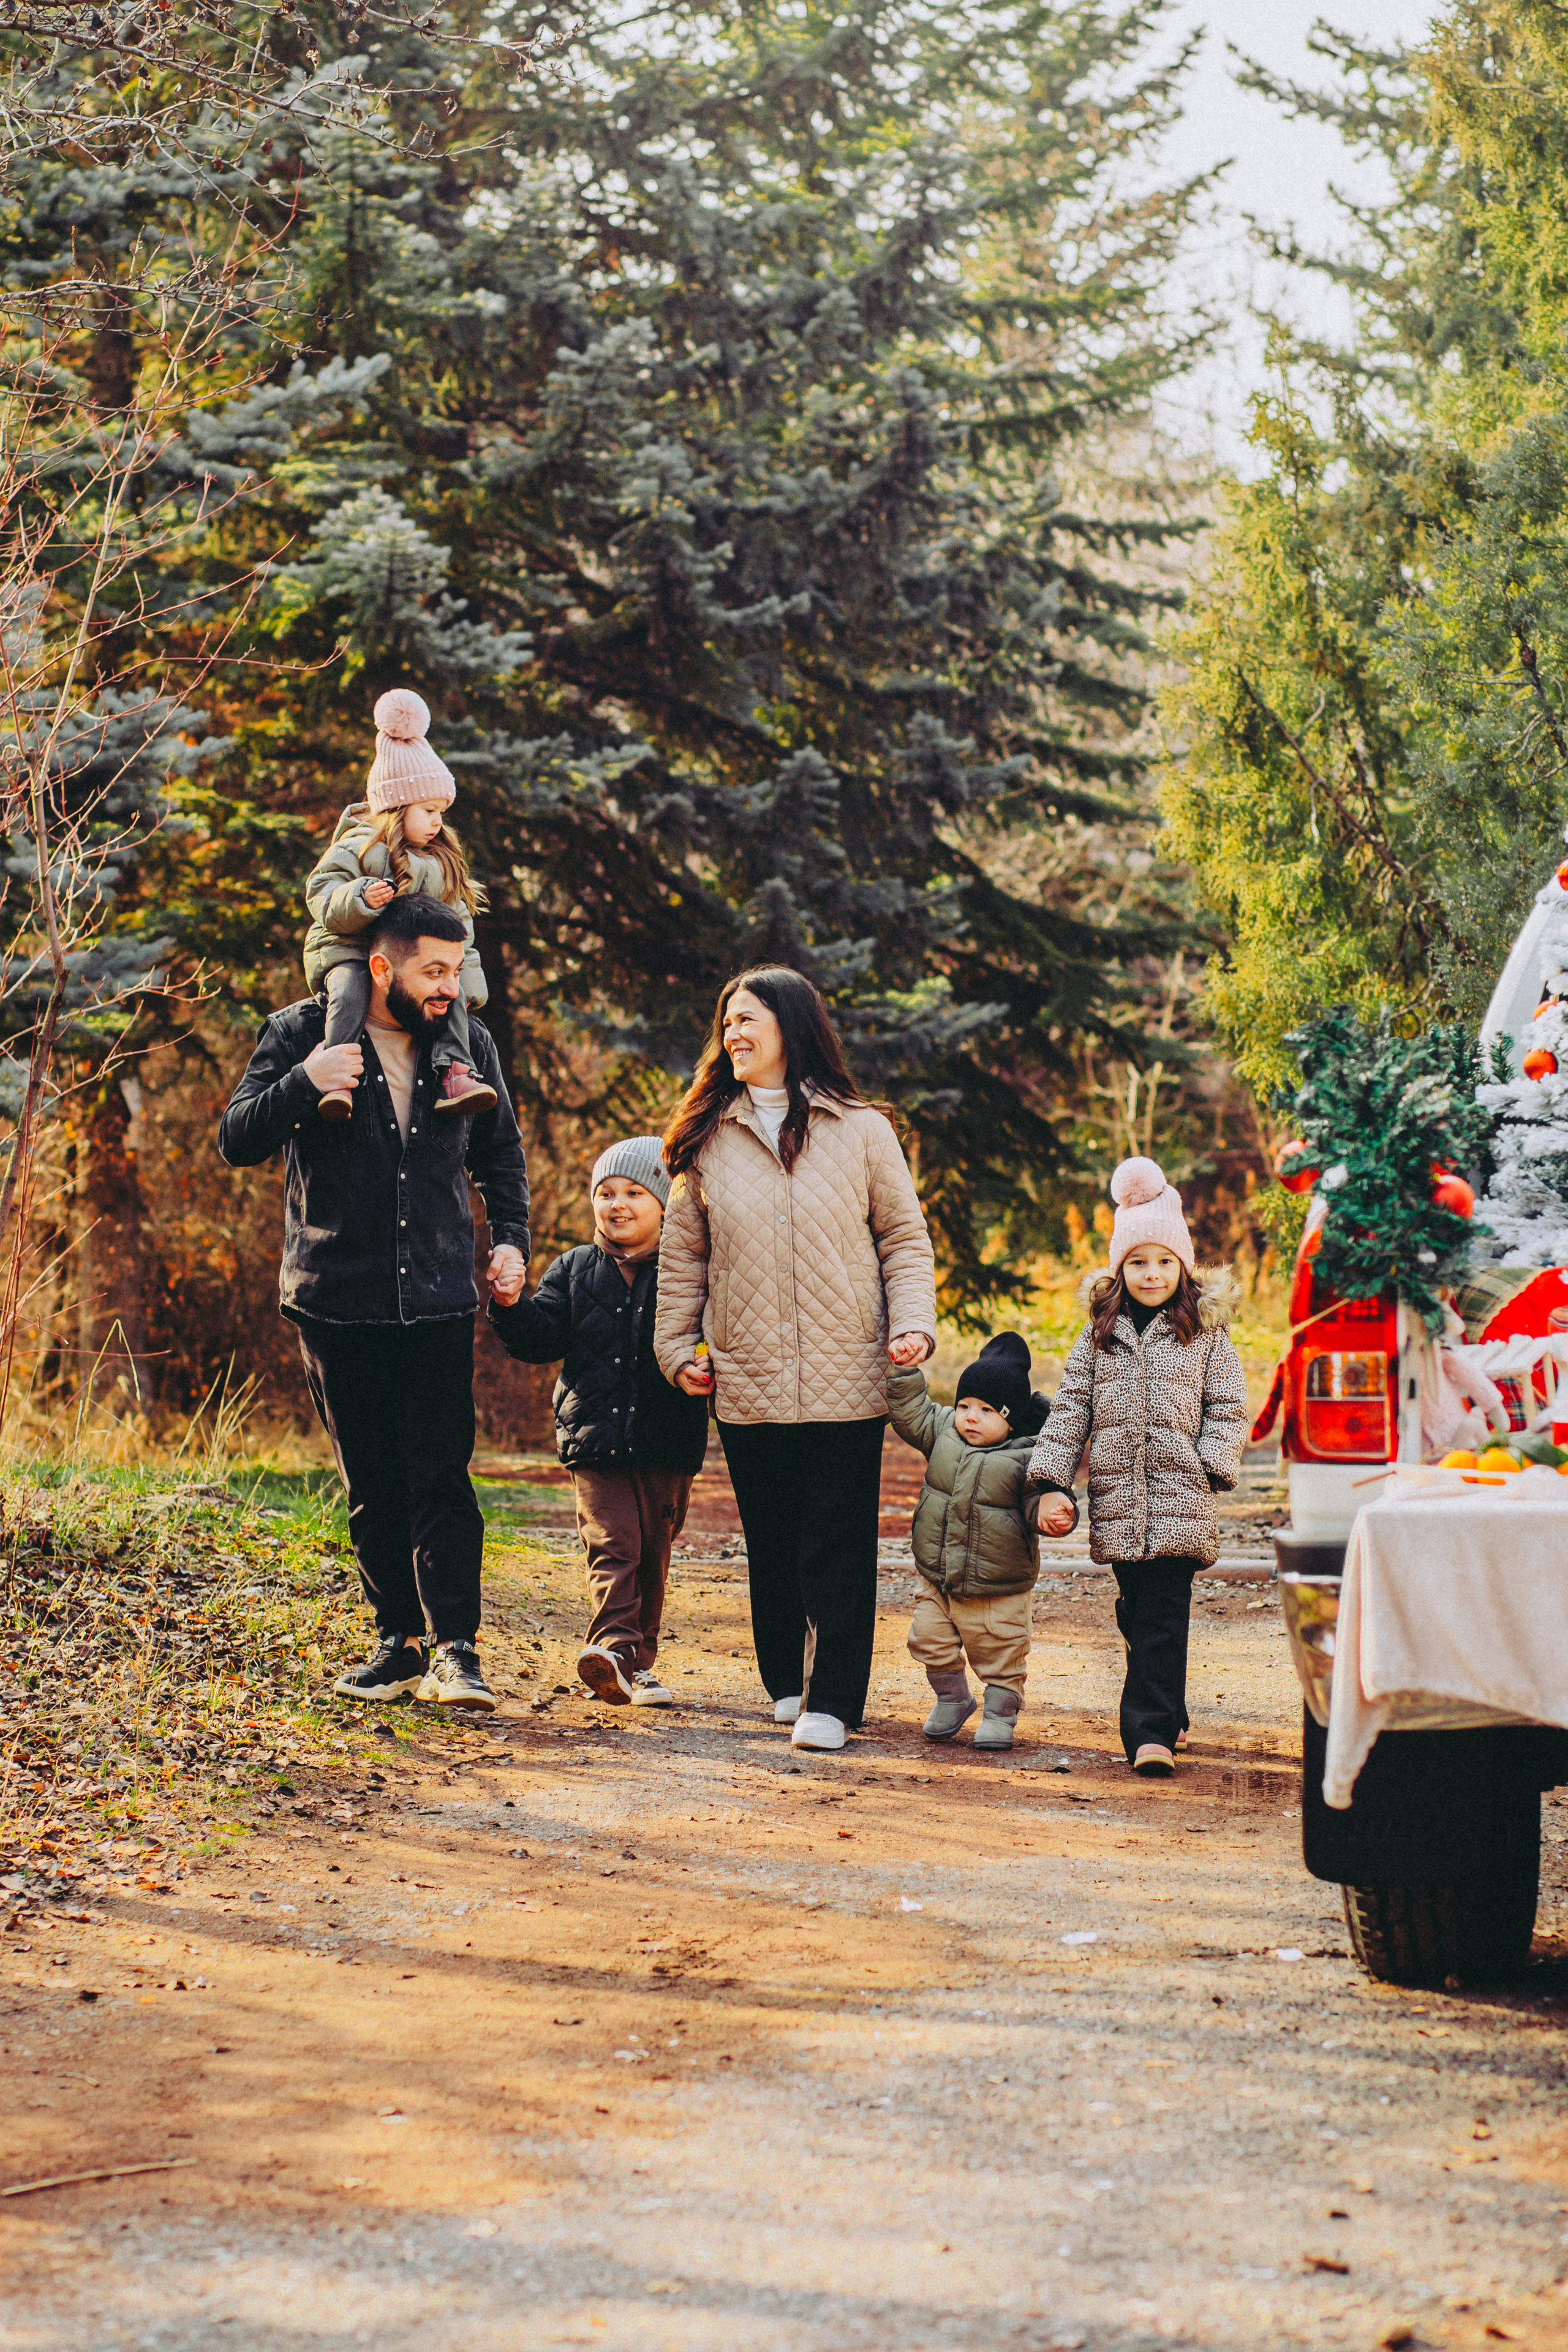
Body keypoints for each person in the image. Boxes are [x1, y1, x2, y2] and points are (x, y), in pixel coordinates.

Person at [217, 892, 530, 1713]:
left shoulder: (468, 1045)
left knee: (441, 1477)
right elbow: (237, 1136)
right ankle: (399, 1642)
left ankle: (457, 1651)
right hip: (335, 1296)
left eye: (457, 970)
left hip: (435, 1295)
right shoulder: (301, 1033)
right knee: (371, 1483)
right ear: (382, 968)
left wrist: (510, 1240)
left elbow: (501, 1153)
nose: (449, 987)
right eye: (433, 970)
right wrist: (304, 1083)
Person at [655, 967, 938, 1754]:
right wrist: (677, 1349)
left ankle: (835, 1700)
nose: (733, 1035)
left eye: (747, 1020)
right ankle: (785, 1679)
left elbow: (903, 1239)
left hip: (849, 1372)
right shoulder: (709, 1138)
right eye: (726, 1023)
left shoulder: (862, 1129)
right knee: (772, 1540)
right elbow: (683, 1259)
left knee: (838, 1540)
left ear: (792, 1027)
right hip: (747, 1373)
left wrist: (912, 1323)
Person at [1027, 1156, 1248, 1777]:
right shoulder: (1100, 1335)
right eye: (1137, 1262)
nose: (1151, 1274)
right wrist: (1050, 1478)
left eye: (1163, 1261)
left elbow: (1228, 1405)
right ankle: (1168, 1707)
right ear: (1119, 1269)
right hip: (1120, 1501)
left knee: (1160, 1615)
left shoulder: (1205, 1332)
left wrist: (1209, 1466)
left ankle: (1147, 1735)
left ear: (1182, 1265)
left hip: (1181, 1495)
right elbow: (1070, 1407)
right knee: (1135, 1611)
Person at [489, 1136, 709, 1708]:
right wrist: (511, 1306)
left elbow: (715, 1339)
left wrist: (707, 1368)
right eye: (605, 1193)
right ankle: (611, 1648)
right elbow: (542, 1339)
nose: (618, 1204)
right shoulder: (575, 1269)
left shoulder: (690, 1272)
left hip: (668, 1440)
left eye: (634, 1192)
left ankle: (637, 1664)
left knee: (653, 1553)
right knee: (613, 1547)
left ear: (663, 1202)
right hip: (594, 1440)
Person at [303, 687, 497, 1121]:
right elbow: (322, 894)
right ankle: (337, 1075)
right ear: (397, 804)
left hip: (417, 967)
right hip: (349, 948)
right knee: (350, 992)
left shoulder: (440, 862)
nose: (437, 821)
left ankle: (456, 1074)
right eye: (428, 809)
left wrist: (467, 976)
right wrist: (359, 898)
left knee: (450, 996)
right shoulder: (359, 847)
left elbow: (458, 924)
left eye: (442, 811)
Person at [889, 1332, 1049, 1753]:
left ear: (1011, 1419)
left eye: (986, 1410)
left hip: (1000, 1585)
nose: (970, 1417)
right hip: (938, 1577)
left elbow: (1041, 1499)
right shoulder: (945, 1434)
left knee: (1001, 1653)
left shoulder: (1028, 1457)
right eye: (964, 1406)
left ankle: (1000, 1715)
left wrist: (1052, 1514)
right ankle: (952, 1697)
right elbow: (912, 1412)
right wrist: (905, 1371)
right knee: (926, 1638)